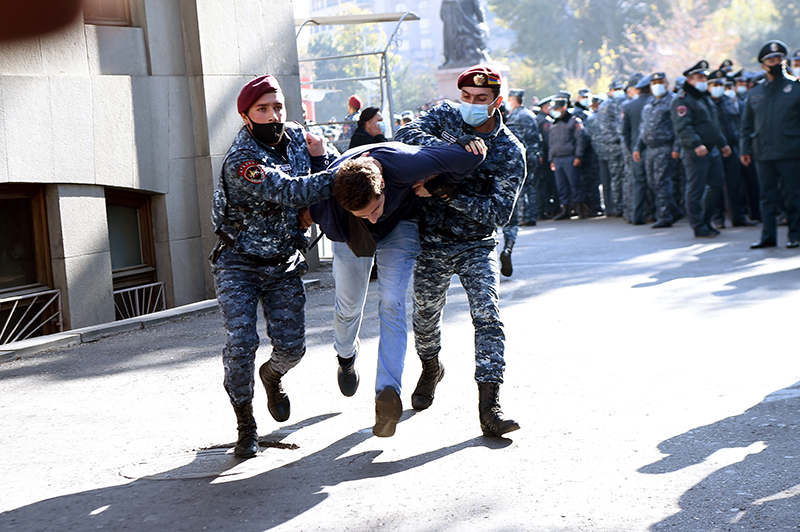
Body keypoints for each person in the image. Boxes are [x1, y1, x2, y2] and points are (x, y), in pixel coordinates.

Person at [307, 141, 485, 437]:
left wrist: (436, 185)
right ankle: (346, 357)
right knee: (349, 306)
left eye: (375, 208)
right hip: (350, 231)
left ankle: (387, 393)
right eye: (367, 214)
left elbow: (470, 157)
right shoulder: (329, 211)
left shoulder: (403, 164)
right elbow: (307, 192)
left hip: (399, 223)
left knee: (392, 303)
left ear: (382, 184)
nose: (373, 217)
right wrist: (319, 158)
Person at [209, 75, 337, 458]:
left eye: (277, 107)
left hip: (283, 263)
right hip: (239, 265)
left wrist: (321, 156)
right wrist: (346, 174)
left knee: (293, 349)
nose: (272, 115)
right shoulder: (242, 160)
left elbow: (322, 169)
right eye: (262, 109)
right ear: (245, 116)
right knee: (242, 343)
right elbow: (291, 191)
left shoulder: (297, 137)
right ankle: (246, 425)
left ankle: (272, 375)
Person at [395, 64, 523, 437]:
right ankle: (431, 367)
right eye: (466, 96)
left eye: (481, 99)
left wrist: (446, 192)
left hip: (476, 244)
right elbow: (405, 133)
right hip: (431, 241)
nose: (471, 104)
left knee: (487, 316)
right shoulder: (446, 117)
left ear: (497, 102)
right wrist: (452, 149)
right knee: (424, 318)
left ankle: (490, 406)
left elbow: (498, 213)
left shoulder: (510, 150)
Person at [741, 40, 800, 249]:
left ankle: (795, 235)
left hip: (790, 152)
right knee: (766, 197)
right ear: (763, 64)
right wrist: (745, 149)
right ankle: (768, 236)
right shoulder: (755, 92)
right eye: (771, 60)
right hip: (763, 152)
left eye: (779, 59)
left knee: (793, 196)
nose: (776, 63)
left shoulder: (796, 88)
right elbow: (746, 125)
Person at [670, 60, 732, 238]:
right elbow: (683, 127)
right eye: (699, 78)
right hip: (695, 151)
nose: (703, 81)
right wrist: (696, 144)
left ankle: (705, 220)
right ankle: (698, 225)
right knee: (695, 188)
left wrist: (723, 143)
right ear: (689, 80)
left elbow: (713, 125)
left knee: (716, 184)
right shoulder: (682, 100)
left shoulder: (704, 97)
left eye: (704, 77)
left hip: (712, 149)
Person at [500, 88, 542, 276]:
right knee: (513, 217)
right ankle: (508, 247)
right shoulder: (517, 125)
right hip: (515, 173)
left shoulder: (480, 132)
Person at [633, 72, 683, 229]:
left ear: (666, 83)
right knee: (653, 183)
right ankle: (674, 211)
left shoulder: (673, 100)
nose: (657, 85)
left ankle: (664, 216)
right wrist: (638, 147)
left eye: (660, 82)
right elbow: (643, 128)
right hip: (650, 148)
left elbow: (678, 127)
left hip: (665, 147)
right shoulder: (650, 102)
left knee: (662, 182)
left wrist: (676, 148)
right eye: (654, 83)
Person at [707, 69, 756, 228]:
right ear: (708, 86)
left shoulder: (728, 101)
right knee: (716, 186)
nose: (719, 87)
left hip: (732, 148)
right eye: (715, 85)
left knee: (734, 185)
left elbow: (738, 124)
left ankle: (738, 217)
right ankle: (718, 218)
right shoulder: (706, 103)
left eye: (720, 84)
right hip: (715, 149)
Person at [547, 96, 588, 219]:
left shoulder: (573, 121)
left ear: (564, 108)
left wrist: (578, 156)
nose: (555, 111)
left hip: (570, 157)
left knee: (575, 184)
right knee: (561, 186)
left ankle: (580, 208)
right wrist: (551, 159)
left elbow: (580, 140)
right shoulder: (554, 123)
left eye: (557, 108)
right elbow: (551, 143)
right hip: (557, 159)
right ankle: (565, 209)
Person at [624, 74, 653, 225]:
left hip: (636, 151)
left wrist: (631, 148)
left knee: (639, 183)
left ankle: (637, 215)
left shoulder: (629, 106)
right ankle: (657, 213)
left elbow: (625, 132)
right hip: (654, 147)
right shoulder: (654, 103)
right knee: (657, 183)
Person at [597, 79, 628, 216]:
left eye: (620, 89)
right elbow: (609, 128)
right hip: (613, 145)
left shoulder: (622, 102)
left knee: (623, 176)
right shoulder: (607, 105)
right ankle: (618, 206)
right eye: (616, 89)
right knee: (616, 177)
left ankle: (623, 205)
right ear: (610, 91)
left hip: (621, 144)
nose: (619, 92)